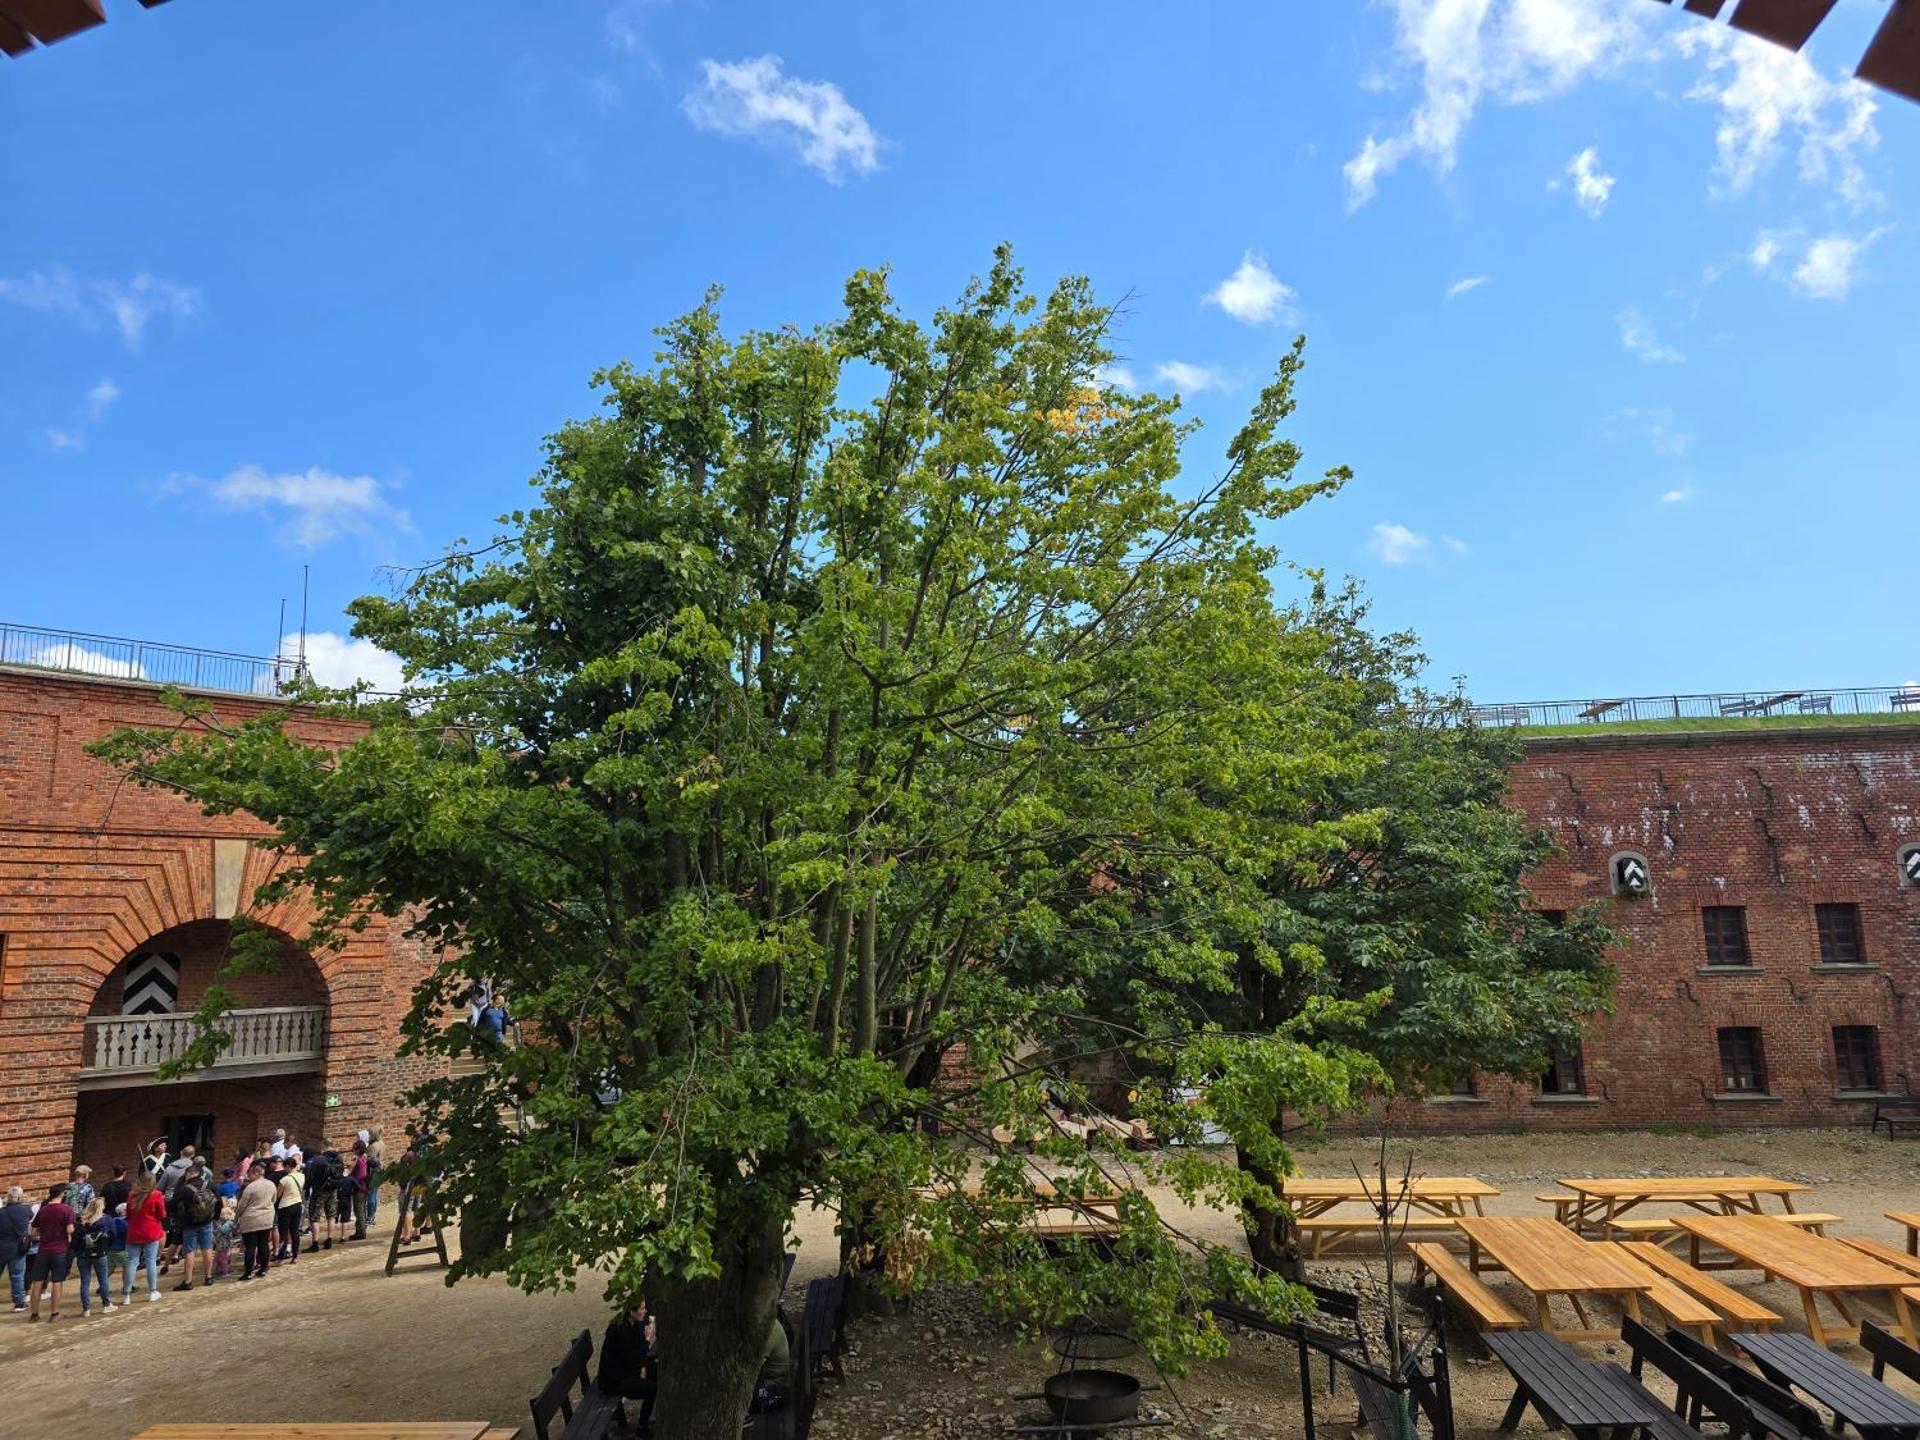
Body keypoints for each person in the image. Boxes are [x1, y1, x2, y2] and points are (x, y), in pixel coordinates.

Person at [599, 1299, 659, 1431]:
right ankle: (642, 1427)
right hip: (615, 1380)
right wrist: (648, 1339)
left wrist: (643, 1366)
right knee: (652, 1389)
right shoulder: (619, 1330)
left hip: (628, 1369)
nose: (645, 1311)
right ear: (632, 1312)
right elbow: (632, 1359)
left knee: (659, 1371)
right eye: (642, 1308)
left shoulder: (635, 1324)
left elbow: (638, 1353)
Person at [26, 1182, 74, 1322]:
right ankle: (54, 1313)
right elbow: (70, 1229)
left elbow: (33, 1232)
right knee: (57, 1281)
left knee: (37, 1282)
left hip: (43, 1250)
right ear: (62, 1194)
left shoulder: (43, 1210)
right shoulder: (67, 1209)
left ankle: (34, 1314)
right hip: (59, 1250)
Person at [172, 1160, 219, 1290]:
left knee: (190, 1252)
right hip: (207, 1222)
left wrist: (177, 1218)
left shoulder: (185, 1189)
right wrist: (215, 1217)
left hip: (190, 1224)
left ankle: (188, 1281)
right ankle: (208, 1277)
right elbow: (218, 1202)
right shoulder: (210, 1184)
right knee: (207, 1249)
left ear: (189, 1174)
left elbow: (173, 1204)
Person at [121, 1171, 166, 1304]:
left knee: (132, 1263)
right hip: (151, 1232)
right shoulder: (156, 1195)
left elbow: (128, 1214)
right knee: (151, 1261)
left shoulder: (132, 1195)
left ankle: (126, 1295)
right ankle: (152, 1291)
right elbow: (162, 1215)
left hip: (134, 1232)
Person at [73, 1197, 116, 1316]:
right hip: (100, 1253)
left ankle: (86, 1309)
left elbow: (75, 1240)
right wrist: (107, 1247)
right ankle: (106, 1305)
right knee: (103, 1279)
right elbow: (113, 1235)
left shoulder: (81, 1222)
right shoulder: (106, 1220)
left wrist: (76, 1251)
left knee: (85, 1281)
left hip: (83, 1254)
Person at [233, 1162, 276, 1280]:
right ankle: (263, 1269)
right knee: (264, 1245)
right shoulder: (271, 1184)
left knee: (250, 1247)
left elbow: (242, 1205)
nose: (249, 1176)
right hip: (267, 1218)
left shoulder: (250, 1187)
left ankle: (248, 1272)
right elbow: (273, 1199)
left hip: (251, 1219)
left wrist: (236, 1218)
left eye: (250, 1174)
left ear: (256, 1173)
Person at [1, 1185, 33, 1312]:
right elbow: (30, 1220)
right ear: (20, 1197)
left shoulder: (1, 1212)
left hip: (1, 1248)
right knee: (17, 1276)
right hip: (17, 1248)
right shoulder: (26, 1209)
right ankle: (19, 1303)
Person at [302, 1145, 340, 1252]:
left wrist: (306, 1189)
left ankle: (315, 1244)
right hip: (332, 1189)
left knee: (315, 1217)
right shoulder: (336, 1159)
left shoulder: (316, 1161)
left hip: (319, 1190)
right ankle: (329, 1240)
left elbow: (310, 1177)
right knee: (331, 1215)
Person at [274, 1155, 305, 1262]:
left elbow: (277, 1195)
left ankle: (280, 1257)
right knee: (295, 1232)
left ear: (287, 1166)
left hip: (285, 1207)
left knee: (284, 1234)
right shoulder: (302, 1176)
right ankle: (295, 1256)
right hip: (297, 1205)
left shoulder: (284, 1179)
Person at [342, 1138, 371, 1240]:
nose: (352, 1150)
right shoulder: (365, 1158)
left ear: (358, 1150)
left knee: (359, 1211)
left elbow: (360, 1174)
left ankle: (360, 1233)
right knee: (362, 1210)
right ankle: (361, 1231)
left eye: (354, 1149)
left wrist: (349, 1176)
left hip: (359, 1187)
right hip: (365, 1186)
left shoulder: (359, 1160)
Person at [364, 1124, 386, 1225]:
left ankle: (370, 1217)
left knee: (371, 1194)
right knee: (374, 1194)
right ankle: (372, 1216)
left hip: (373, 1172)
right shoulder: (382, 1143)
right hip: (380, 1171)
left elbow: (370, 1161)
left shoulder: (373, 1146)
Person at [211, 1197, 235, 1280]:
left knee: (222, 1258)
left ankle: (225, 1271)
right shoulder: (224, 1223)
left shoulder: (228, 1223)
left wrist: (217, 1225)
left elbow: (222, 1230)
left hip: (224, 1245)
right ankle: (219, 1270)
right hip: (220, 1244)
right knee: (219, 1258)